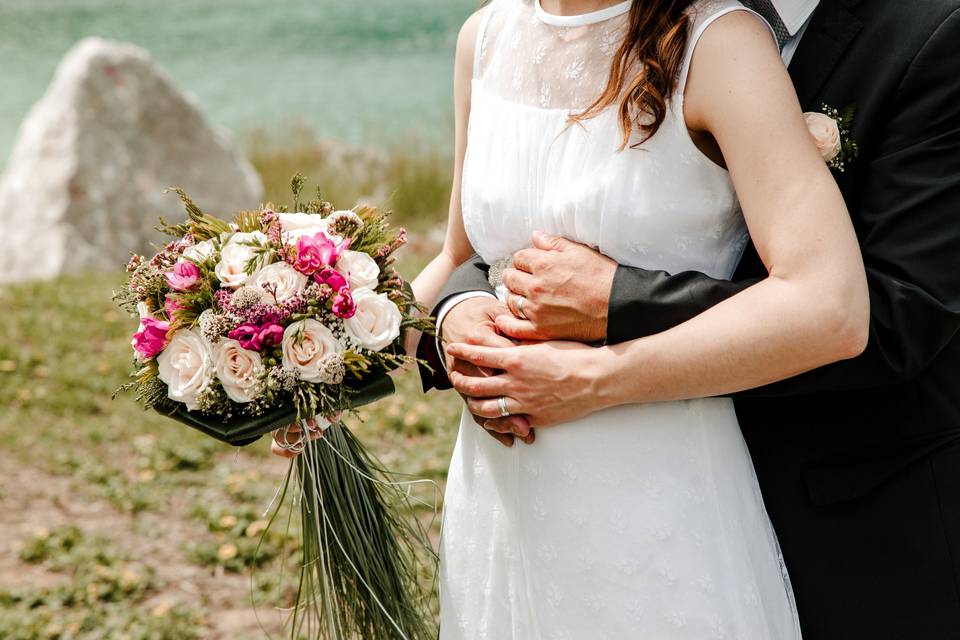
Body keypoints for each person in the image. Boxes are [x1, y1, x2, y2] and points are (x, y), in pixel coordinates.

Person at [428, 0, 960, 638]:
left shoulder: (725, 39)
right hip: (505, 498)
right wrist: (365, 334)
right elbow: (465, 254)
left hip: (724, 490)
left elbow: (878, 310)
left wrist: (611, 326)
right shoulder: (485, 39)